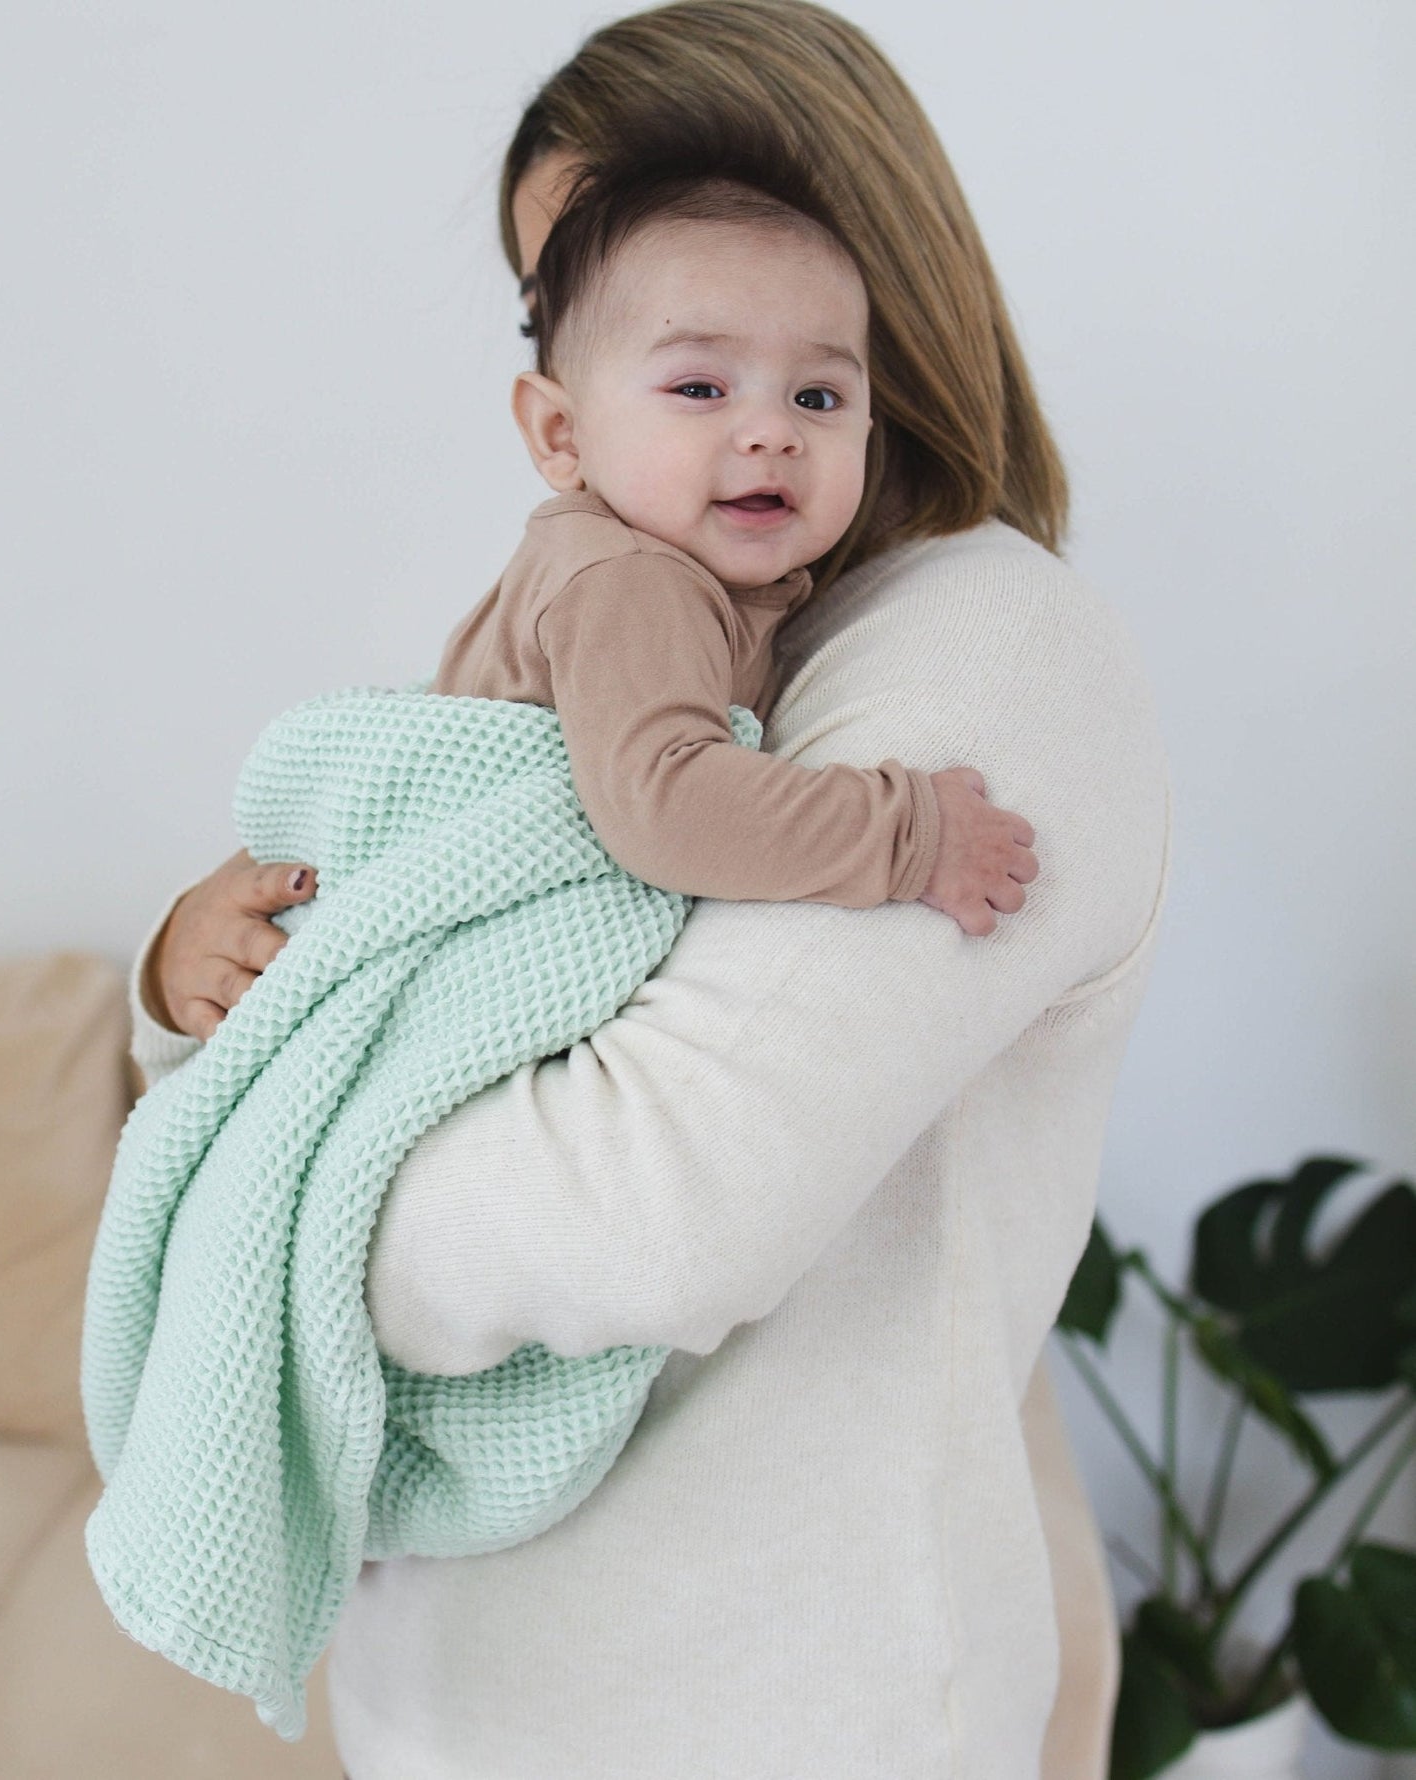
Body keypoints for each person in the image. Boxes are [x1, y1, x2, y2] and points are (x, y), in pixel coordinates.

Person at [127, 2, 1168, 1775]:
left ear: (865, 278)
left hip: (747, 1711)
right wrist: (192, 989)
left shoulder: (980, 647)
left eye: (798, 378)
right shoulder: (640, 596)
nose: (744, 428)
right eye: (582, 301)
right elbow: (387, 965)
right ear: (556, 390)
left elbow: (643, 1205)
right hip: (470, 1692)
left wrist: (274, 1176)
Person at [433, 141, 1038, 929]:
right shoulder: (630, 578)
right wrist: (909, 836)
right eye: (699, 387)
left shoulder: (689, 573)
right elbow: (672, 807)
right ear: (561, 433)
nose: (771, 432)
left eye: (817, 397)